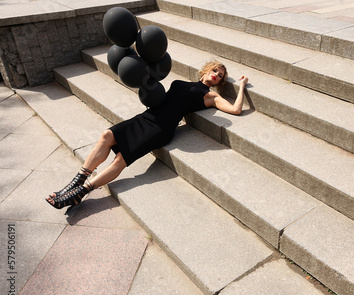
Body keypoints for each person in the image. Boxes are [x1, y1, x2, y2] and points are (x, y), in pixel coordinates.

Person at [46, 60, 249, 209]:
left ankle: (79, 193)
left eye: (220, 75)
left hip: (161, 128)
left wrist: (241, 87)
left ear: (219, 82)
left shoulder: (210, 95)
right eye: (215, 70)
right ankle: (77, 181)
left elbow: (236, 109)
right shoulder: (183, 82)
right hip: (147, 117)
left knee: (120, 159)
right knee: (107, 135)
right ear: (206, 70)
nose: (216, 75)